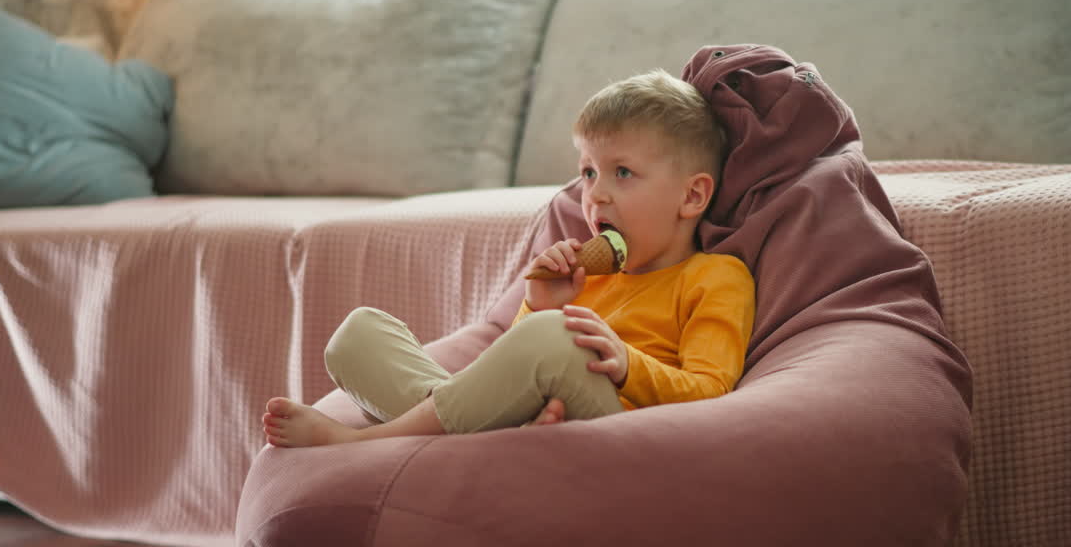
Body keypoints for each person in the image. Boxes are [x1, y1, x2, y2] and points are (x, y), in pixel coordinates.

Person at [261, 68, 755, 447]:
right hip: (539, 411)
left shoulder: (715, 276)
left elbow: (711, 395)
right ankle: (487, 443)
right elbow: (515, 369)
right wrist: (539, 303)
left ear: (691, 197)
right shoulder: (588, 281)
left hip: (620, 428)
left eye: (622, 172)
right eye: (587, 172)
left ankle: (362, 445)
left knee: (557, 337)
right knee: (359, 333)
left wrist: (627, 364)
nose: (595, 196)